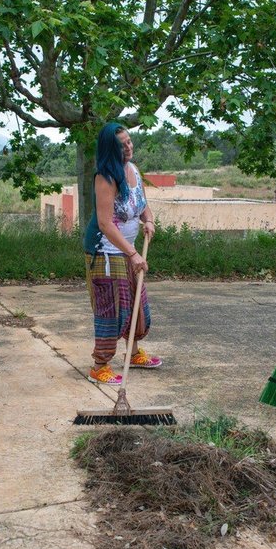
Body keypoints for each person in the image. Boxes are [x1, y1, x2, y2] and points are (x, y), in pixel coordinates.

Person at [82, 122, 163, 385]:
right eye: (121, 145)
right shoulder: (105, 177)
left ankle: (134, 353)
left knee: (137, 304)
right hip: (106, 252)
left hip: (128, 252)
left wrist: (148, 219)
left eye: (129, 142)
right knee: (112, 309)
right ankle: (100, 365)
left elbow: (142, 204)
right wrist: (132, 253)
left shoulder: (133, 170)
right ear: (109, 149)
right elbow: (105, 224)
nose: (128, 148)